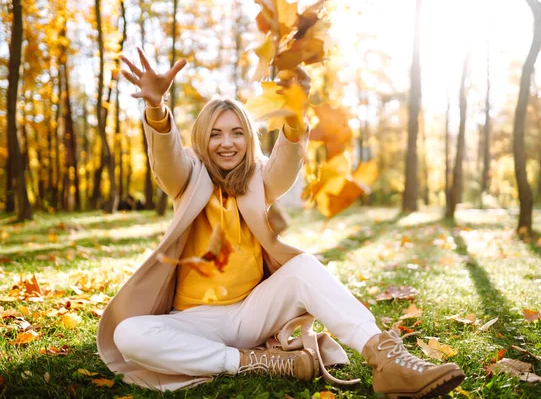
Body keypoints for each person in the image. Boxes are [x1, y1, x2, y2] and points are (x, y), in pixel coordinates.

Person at [96, 48, 465, 398]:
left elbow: (287, 162)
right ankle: (260, 363)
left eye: (237, 132)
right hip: (194, 321)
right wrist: (156, 107)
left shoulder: (259, 178)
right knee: (130, 334)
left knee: (304, 265)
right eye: (216, 134)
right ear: (202, 140)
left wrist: (295, 111)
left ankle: (387, 359)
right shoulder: (187, 178)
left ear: (248, 138)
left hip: (253, 312)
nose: (227, 143)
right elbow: (166, 158)